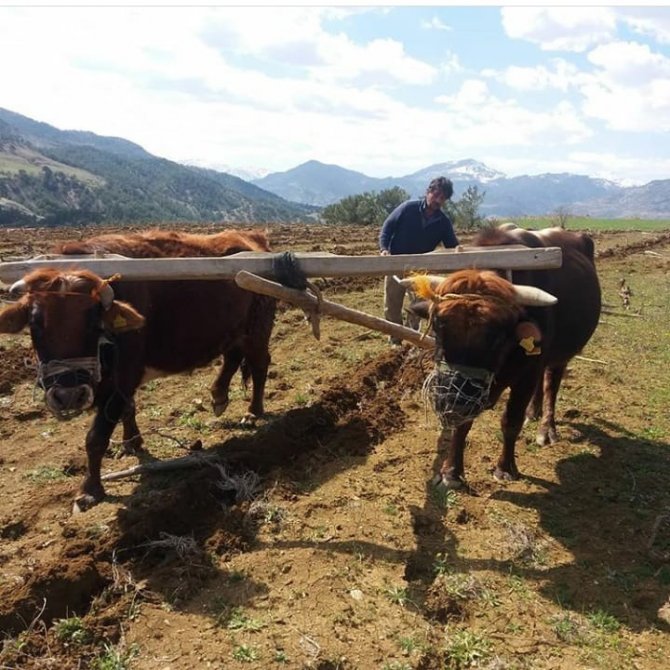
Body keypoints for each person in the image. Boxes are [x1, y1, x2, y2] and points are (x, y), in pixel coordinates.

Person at [378, 176, 459, 344]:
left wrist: (460, 253)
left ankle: (412, 337)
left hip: (422, 268)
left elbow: (452, 245)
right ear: (428, 192)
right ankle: (395, 339)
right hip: (396, 262)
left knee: (419, 304)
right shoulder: (408, 208)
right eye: (436, 195)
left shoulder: (443, 222)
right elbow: (387, 228)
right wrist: (384, 249)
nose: (438, 200)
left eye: (443, 198)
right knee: (392, 304)